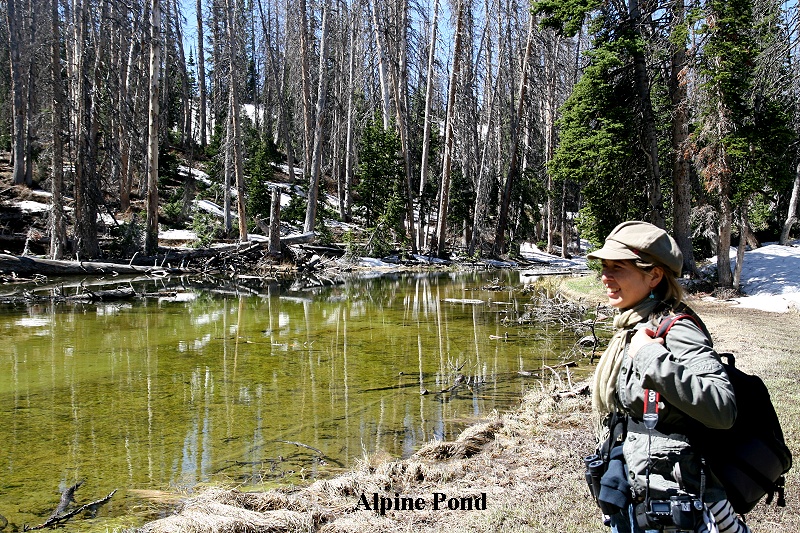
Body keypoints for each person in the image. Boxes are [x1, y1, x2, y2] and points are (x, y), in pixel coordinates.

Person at [586, 221, 751, 533]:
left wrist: (650, 356)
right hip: (641, 491)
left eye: (618, 267)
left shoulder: (676, 329)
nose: (605, 276)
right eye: (604, 267)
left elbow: (722, 407)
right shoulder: (633, 324)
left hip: (674, 500)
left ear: (654, 276)